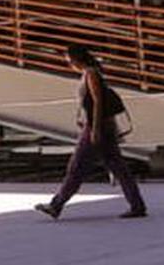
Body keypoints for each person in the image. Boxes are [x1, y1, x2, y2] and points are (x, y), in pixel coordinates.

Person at [35, 45, 147, 220]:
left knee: (77, 166)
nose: (67, 62)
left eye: (68, 58)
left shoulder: (91, 73)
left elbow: (97, 102)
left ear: (75, 58)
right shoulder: (91, 72)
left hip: (98, 126)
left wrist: (94, 128)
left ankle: (56, 205)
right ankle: (137, 205)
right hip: (103, 125)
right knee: (117, 166)